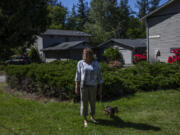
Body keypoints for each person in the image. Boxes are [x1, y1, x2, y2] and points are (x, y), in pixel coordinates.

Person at [75, 48, 103, 127]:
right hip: (84, 87)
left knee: (92, 102)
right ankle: (85, 119)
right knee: (84, 103)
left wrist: (100, 89)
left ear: (91, 55)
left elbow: (100, 76)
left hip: (93, 86)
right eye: (83, 53)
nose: (84, 55)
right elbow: (78, 75)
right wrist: (76, 86)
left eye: (86, 54)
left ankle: (92, 117)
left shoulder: (96, 63)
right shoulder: (80, 63)